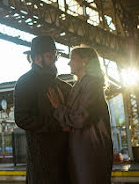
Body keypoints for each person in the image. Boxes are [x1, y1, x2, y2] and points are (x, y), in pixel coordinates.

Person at [47, 46, 113, 184]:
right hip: (82, 149)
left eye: (72, 59)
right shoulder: (80, 85)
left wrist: (58, 107)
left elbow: (80, 118)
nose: (69, 63)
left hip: (90, 150)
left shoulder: (92, 85)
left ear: (85, 61)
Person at [14, 35, 72, 184]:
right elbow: (22, 118)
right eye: (50, 55)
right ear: (38, 58)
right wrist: (57, 125)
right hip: (42, 160)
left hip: (66, 156)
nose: (54, 59)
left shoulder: (63, 86)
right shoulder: (25, 82)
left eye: (55, 55)